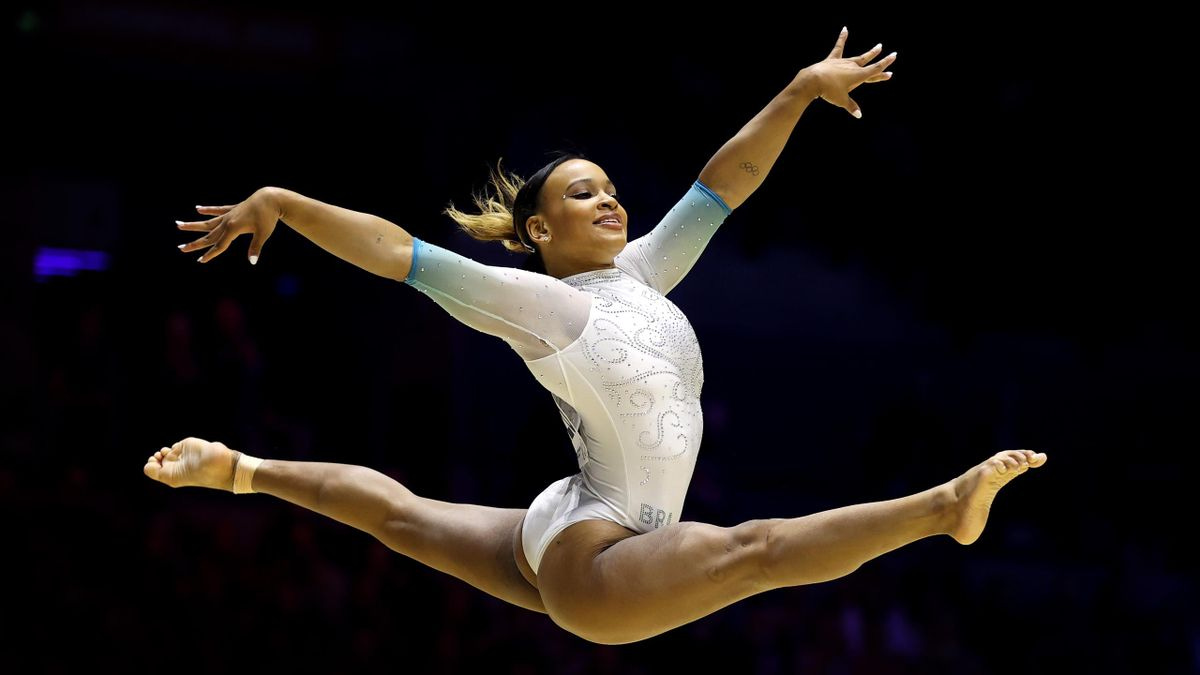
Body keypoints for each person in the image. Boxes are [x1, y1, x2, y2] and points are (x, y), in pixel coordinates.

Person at [148, 28, 1046, 645]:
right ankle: (943, 508)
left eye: (610, 186)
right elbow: (397, 252)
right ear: (538, 231)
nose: (609, 199)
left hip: (577, 519)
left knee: (400, 517)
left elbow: (723, 185)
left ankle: (239, 469)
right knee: (755, 550)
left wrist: (800, 92)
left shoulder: (645, 272)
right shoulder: (536, 305)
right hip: (599, 558)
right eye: (581, 193)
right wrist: (286, 204)